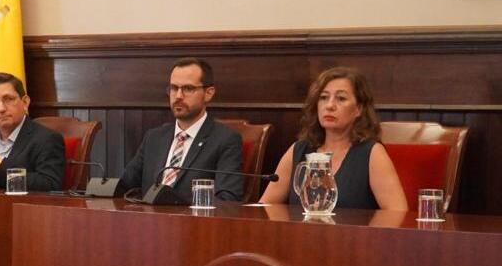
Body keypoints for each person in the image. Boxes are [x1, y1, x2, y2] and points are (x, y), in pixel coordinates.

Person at [259, 66, 407, 210]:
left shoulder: (372, 153)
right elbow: (265, 207)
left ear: (359, 109)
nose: (329, 106)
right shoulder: (299, 150)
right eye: (323, 98)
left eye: (341, 98)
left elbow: (396, 213)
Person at [119, 58, 244, 203]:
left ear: (208, 93)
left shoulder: (225, 140)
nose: (178, 96)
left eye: (188, 89)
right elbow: (125, 185)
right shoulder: (154, 137)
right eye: (173, 88)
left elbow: (228, 198)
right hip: (148, 221)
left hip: (194, 223)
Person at [0, 72, 66, 192]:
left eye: (8, 99)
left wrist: (0, 165)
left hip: (18, 209)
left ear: (25, 102)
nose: (1, 109)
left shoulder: (47, 139)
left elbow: (50, 184)